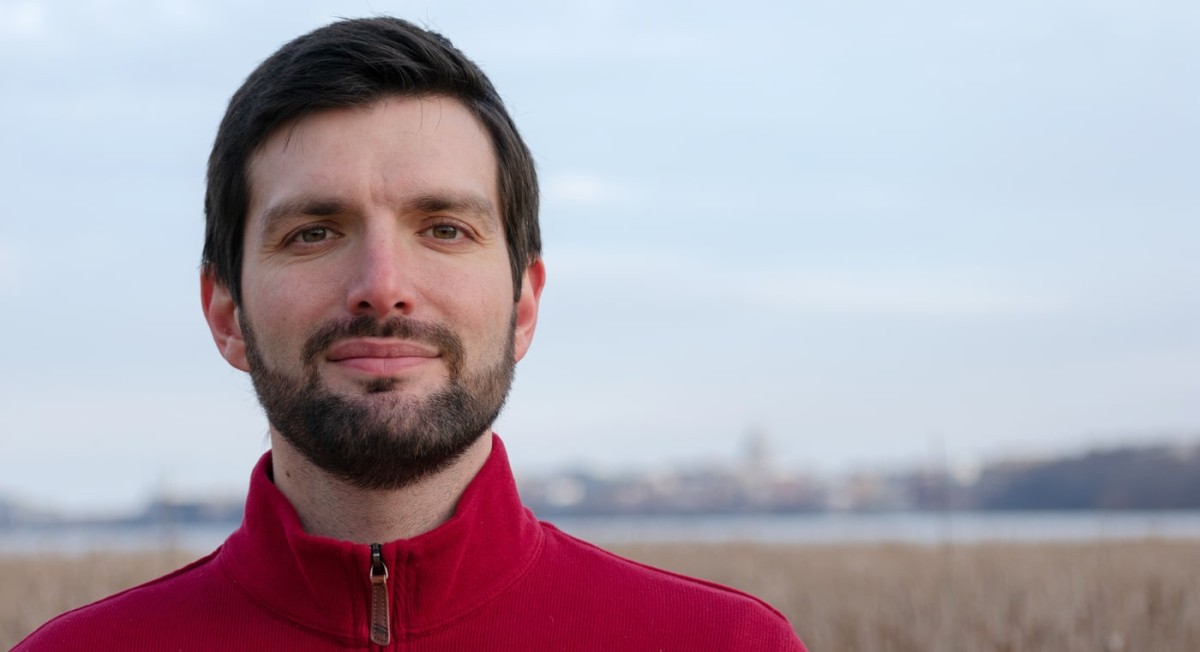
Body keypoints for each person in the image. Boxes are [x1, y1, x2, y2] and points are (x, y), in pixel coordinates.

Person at [17, 17, 806, 651]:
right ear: (227, 313)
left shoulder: (725, 643)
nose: (383, 289)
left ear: (524, 304)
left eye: (445, 228)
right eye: (314, 233)